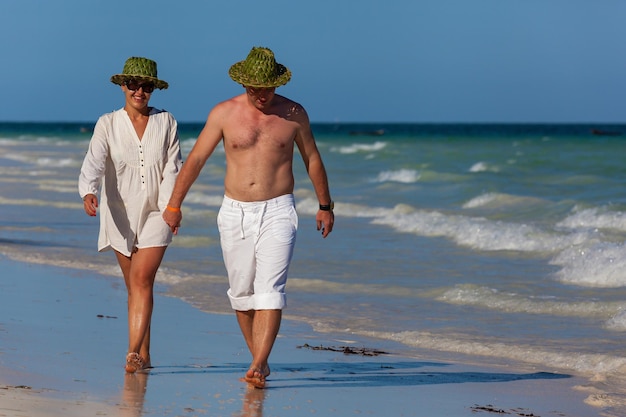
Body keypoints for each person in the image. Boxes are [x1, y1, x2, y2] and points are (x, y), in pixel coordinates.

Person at [162, 46, 334, 388]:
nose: (261, 95)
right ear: (244, 83)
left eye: (267, 88)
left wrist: (325, 205)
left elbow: (312, 158)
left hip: (279, 209)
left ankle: (257, 363)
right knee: (241, 293)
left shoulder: (294, 113)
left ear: (276, 83)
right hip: (235, 211)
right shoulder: (224, 113)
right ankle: (260, 360)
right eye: (254, 88)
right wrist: (174, 205)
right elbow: (195, 159)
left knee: (271, 290)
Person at [78, 56, 182, 373]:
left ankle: (132, 353)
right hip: (119, 213)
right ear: (123, 86)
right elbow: (94, 161)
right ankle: (145, 356)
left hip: (157, 213)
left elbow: (173, 169)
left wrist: (172, 207)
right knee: (135, 288)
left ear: (153, 89)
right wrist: (89, 191)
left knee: (141, 280)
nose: (140, 91)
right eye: (134, 85)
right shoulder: (107, 124)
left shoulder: (167, 122)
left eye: (146, 86)